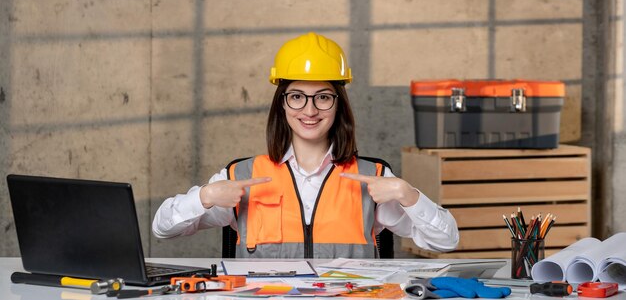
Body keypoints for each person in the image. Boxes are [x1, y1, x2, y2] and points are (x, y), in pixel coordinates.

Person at [152, 32, 459, 258]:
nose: (309, 110)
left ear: (338, 105)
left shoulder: (373, 177)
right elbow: (163, 228)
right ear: (282, 105)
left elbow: (445, 241)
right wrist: (205, 197)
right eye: (297, 96)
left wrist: (408, 195)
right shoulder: (242, 175)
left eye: (323, 97)